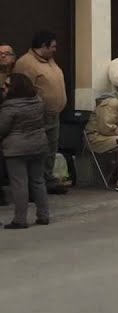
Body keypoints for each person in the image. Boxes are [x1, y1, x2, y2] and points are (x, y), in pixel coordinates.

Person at [13, 31, 67, 194]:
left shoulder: (50, 61)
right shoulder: (26, 63)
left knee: (51, 149)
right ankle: (34, 184)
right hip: (37, 116)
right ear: (43, 46)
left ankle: (48, 179)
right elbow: (22, 89)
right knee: (37, 151)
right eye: (53, 47)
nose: (55, 50)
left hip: (54, 114)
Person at [0, 73, 51, 228]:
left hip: (16, 149)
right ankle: (43, 215)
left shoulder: (9, 108)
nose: (3, 87)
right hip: (39, 145)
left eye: (7, 85)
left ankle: (20, 219)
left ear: (14, 88)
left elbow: (2, 129)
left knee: (19, 184)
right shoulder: (38, 102)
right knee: (38, 181)